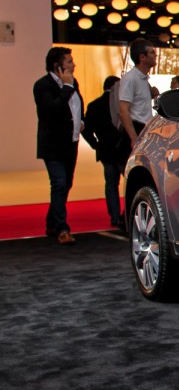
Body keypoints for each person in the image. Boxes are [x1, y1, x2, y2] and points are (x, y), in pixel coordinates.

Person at [33, 46, 84, 245]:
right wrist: (67, 88)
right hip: (52, 145)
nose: (74, 65)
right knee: (60, 183)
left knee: (65, 185)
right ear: (58, 67)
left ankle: (51, 223)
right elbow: (51, 110)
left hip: (71, 143)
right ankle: (62, 229)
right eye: (69, 61)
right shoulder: (42, 86)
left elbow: (78, 105)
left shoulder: (73, 83)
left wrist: (83, 121)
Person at [81, 75, 125, 231]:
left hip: (105, 151)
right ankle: (125, 216)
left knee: (111, 184)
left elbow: (85, 129)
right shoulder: (122, 105)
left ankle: (114, 217)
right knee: (129, 183)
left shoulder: (94, 105)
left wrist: (95, 145)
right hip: (122, 150)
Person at [117, 38, 160, 159]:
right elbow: (123, 110)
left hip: (144, 129)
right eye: (152, 52)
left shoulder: (143, 79)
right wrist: (133, 137)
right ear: (142, 57)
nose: (155, 55)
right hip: (136, 129)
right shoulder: (131, 78)